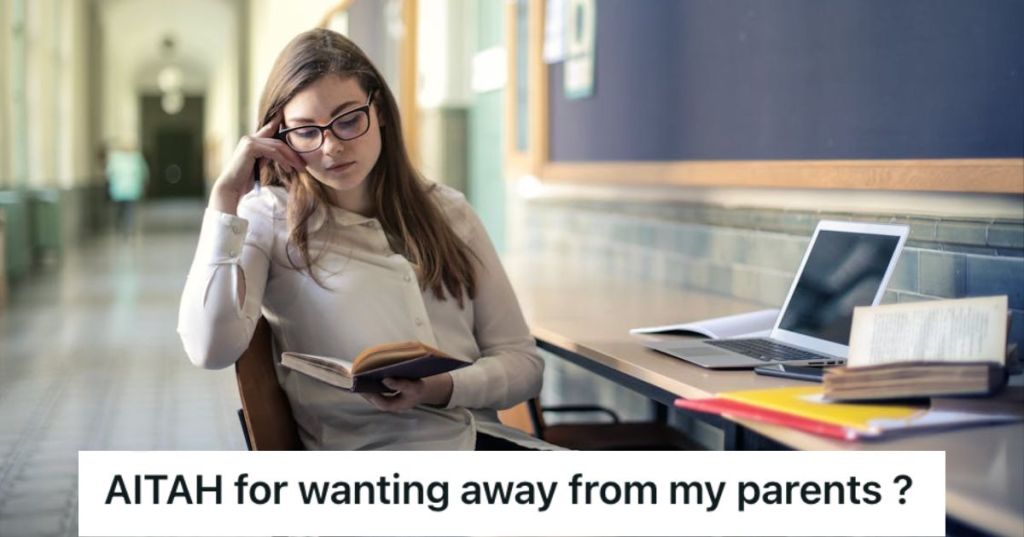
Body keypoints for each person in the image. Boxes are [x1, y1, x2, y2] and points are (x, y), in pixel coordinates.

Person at [177, 28, 554, 450]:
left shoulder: (449, 211)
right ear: (277, 138)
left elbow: (524, 367)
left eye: (349, 119)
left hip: (476, 445)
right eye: (306, 131)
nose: (332, 147)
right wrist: (225, 200)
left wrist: (441, 388)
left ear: (381, 112)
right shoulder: (267, 217)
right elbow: (209, 349)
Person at [106, 142, 149, 237]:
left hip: (119, 190)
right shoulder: (136, 158)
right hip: (130, 190)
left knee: (123, 209)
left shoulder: (116, 158)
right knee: (129, 209)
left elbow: (109, 173)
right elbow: (144, 172)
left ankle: (124, 226)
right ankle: (127, 227)